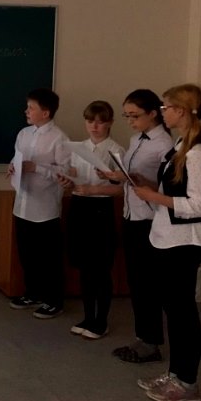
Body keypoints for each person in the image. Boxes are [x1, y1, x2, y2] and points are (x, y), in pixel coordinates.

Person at [132, 84, 201, 401]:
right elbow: (173, 192)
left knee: (182, 313)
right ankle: (175, 374)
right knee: (173, 310)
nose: (162, 112)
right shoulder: (181, 146)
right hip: (168, 238)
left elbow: (199, 204)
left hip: (185, 242)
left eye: (165, 107)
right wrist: (148, 187)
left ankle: (186, 382)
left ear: (181, 111)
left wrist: (153, 196)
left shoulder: (199, 153)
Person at [98, 89, 173, 363]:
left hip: (150, 220)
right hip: (131, 215)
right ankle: (143, 338)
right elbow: (132, 176)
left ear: (153, 113)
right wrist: (117, 176)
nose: (130, 121)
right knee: (136, 282)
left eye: (135, 116)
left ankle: (151, 342)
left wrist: (140, 180)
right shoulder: (135, 139)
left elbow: (168, 186)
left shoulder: (164, 144)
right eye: (127, 116)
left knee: (147, 283)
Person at [57, 101, 124, 340]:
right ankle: (88, 317)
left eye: (100, 122)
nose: (94, 126)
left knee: (100, 268)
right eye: (90, 121)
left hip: (100, 209)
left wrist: (97, 187)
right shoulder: (78, 147)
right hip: (79, 207)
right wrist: (67, 181)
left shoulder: (115, 150)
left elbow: (122, 188)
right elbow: (74, 175)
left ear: (110, 123)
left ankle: (101, 320)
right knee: (84, 267)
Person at [7, 88, 71, 319]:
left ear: (46, 112)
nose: (26, 111)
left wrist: (38, 168)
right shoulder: (23, 134)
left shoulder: (59, 138)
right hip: (23, 203)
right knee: (27, 254)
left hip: (45, 208)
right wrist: (12, 167)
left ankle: (54, 300)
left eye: (31, 108)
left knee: (49, 258)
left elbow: (66, 171)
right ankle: (32, 293)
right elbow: (17, 158)